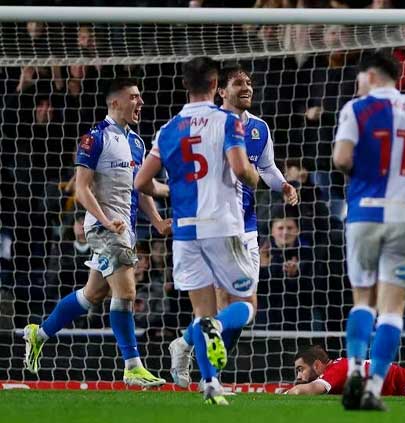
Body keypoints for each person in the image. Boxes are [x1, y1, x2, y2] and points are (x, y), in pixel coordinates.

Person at [23, 78, 171, 387]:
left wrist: (157, 220)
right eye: (134, 97)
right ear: (114, 102)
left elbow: (141, 188)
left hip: (123, 229)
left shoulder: (137, 143)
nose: (140, 102)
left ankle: (40, 333)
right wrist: (104, 220)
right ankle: (132, 367)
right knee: (127, 292)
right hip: (102, 229)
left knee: (92, 295)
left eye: (141, 97)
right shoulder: (95, 138)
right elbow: (81, 188)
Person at [135, 56, 260, 405]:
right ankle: (215, 332)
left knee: (203, 311)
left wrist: (169, 190)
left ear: (185, 84)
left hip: (186, 232)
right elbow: (239, 169)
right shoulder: (227, 120)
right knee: (247, 306)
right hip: (223, 225)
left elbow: (142, 181)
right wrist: (254, 177)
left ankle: (210, 384)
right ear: (215, 83)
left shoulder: (168, 128)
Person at [333, 51, 405, 411]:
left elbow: (340, 159)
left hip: (364, 214)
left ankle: (354, 369)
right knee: (392, 309)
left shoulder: (356, 109)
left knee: (362, 300)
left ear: (370, 75)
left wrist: (369, 170)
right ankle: (374, 387)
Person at [167, 64, 298, 389]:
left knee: (242, 307)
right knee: (224, 301)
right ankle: (209, 377)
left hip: (247, 229)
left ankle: (186, 344)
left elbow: (265, 167)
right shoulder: (207, 126)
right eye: (238, 83)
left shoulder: (259, 129)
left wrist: (283, 185)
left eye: (250, 82)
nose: (247, 88)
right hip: (213, 226)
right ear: (220, 90)